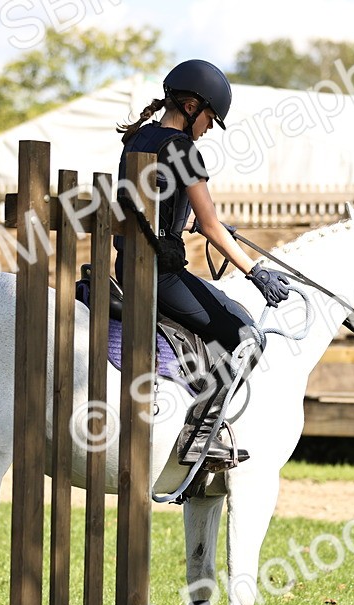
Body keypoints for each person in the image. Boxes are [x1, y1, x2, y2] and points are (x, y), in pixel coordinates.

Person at [113, 59, 290, 471]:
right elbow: (212, 227)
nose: (210, 127)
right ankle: (199, 435)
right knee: (247, 336)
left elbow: (145, 204)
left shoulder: (137, 139)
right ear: (192, 106)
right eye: (211, 117)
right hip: (160, 275)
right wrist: (255, 271)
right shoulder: (184, 149)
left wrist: (183, 220)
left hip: (127, 266)